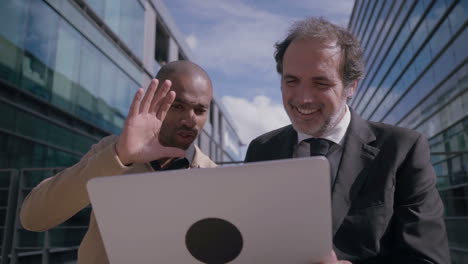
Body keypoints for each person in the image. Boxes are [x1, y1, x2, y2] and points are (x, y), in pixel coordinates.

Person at [244, 17, 450, 263]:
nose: (304, 98)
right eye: (292, 81)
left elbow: (428, 259)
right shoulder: (261, 150)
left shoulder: (403, 150)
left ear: (351, 86)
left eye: (321, 83)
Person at [20, 61, 217, 264]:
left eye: (200, 111)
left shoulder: (214, 176)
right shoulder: (113, 150)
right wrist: (119, 156)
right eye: (178, 106)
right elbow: (33, 218)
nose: (190, 120)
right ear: (156, 99)